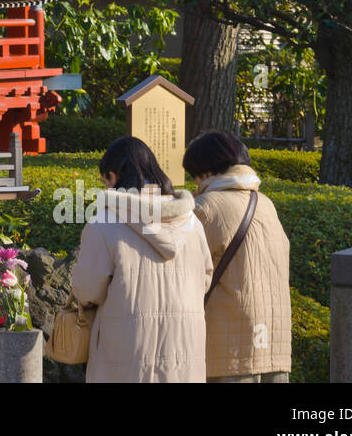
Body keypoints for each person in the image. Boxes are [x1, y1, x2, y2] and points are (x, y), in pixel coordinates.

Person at [70, 136, 214, 382]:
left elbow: (87, 291)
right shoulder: (191, 223)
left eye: (104, 180)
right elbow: (205, 280)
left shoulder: (103, 224)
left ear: (114, 176)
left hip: (124, 354)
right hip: (184, 351)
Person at [184, 131, 292, 383]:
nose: (195, 184)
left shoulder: (206, 208)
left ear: (207, 172)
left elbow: (184, 276)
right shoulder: (266, 204)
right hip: (275, 348)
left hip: (227, 354)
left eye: (195, 176)